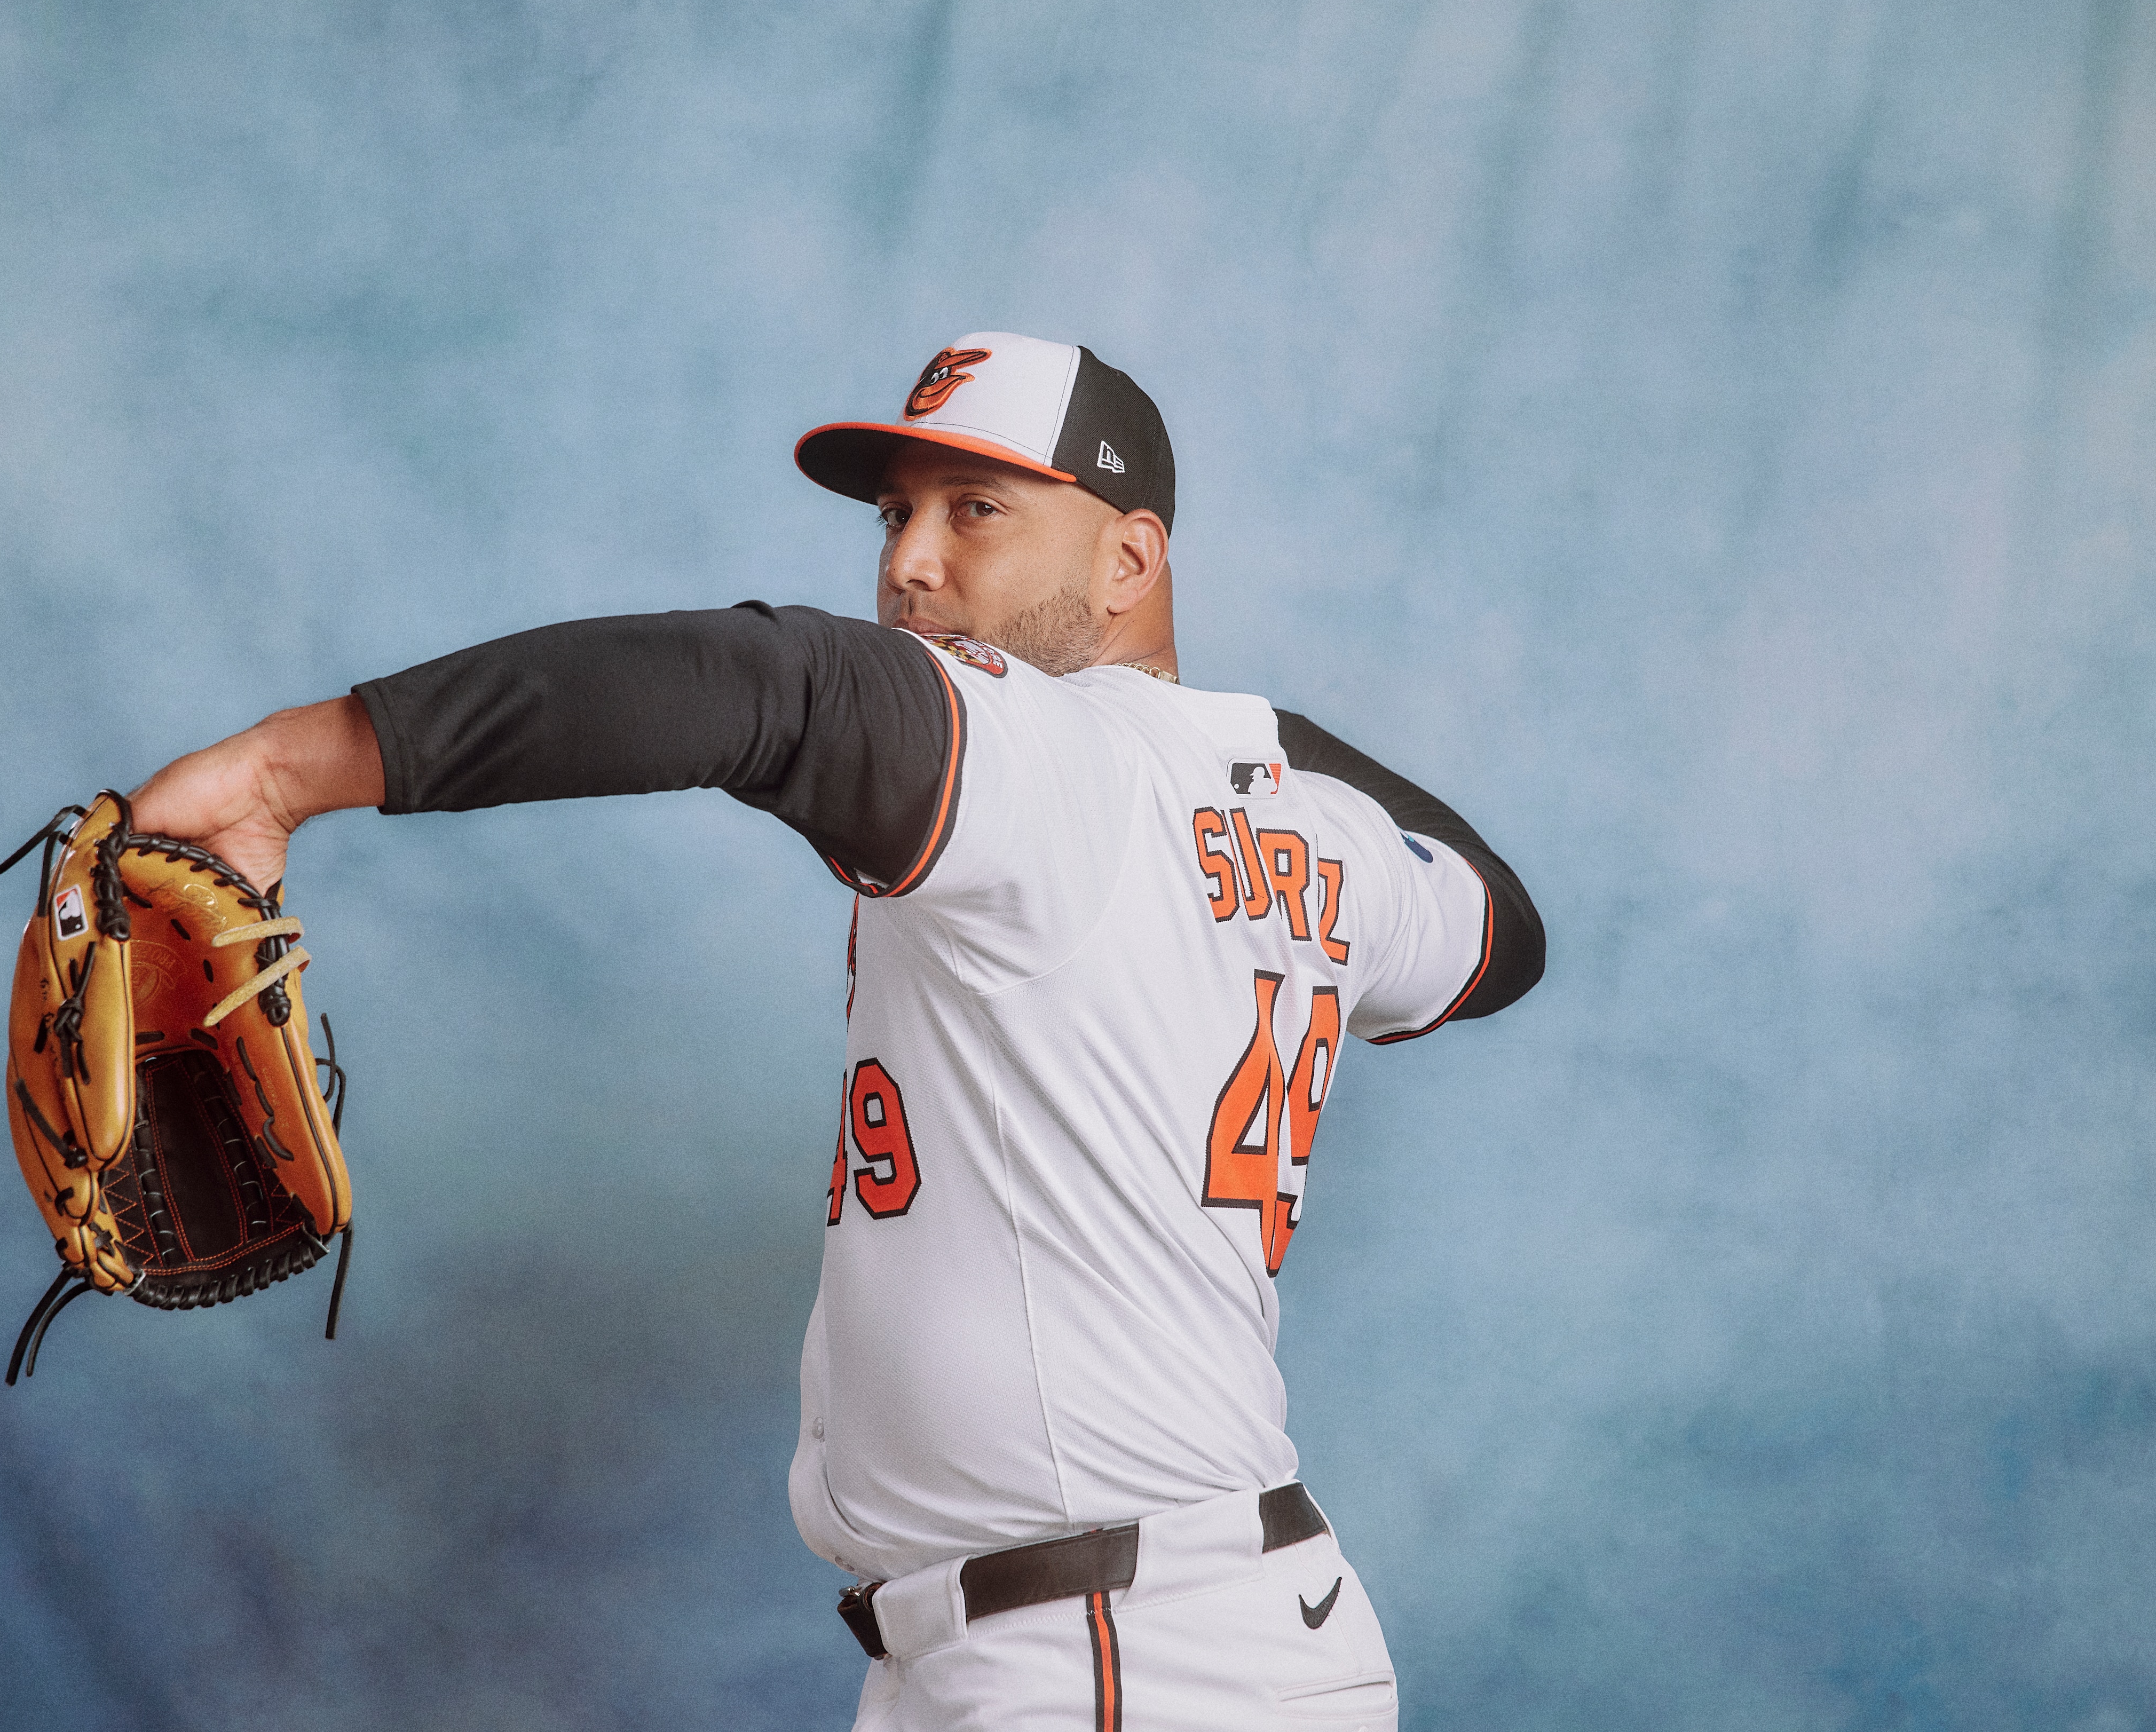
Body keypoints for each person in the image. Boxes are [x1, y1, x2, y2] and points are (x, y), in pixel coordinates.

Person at [130, 331, 1543, 1731]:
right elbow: (1501, 924)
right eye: (895, 515)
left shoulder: (1058, 763)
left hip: (1122, 1660)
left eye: (976, 510)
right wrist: (1251, 745)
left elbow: (773, 692)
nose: (910, 562)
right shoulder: (1321, 838)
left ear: (1130, 559)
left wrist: (276, 774)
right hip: (1121, 1635)